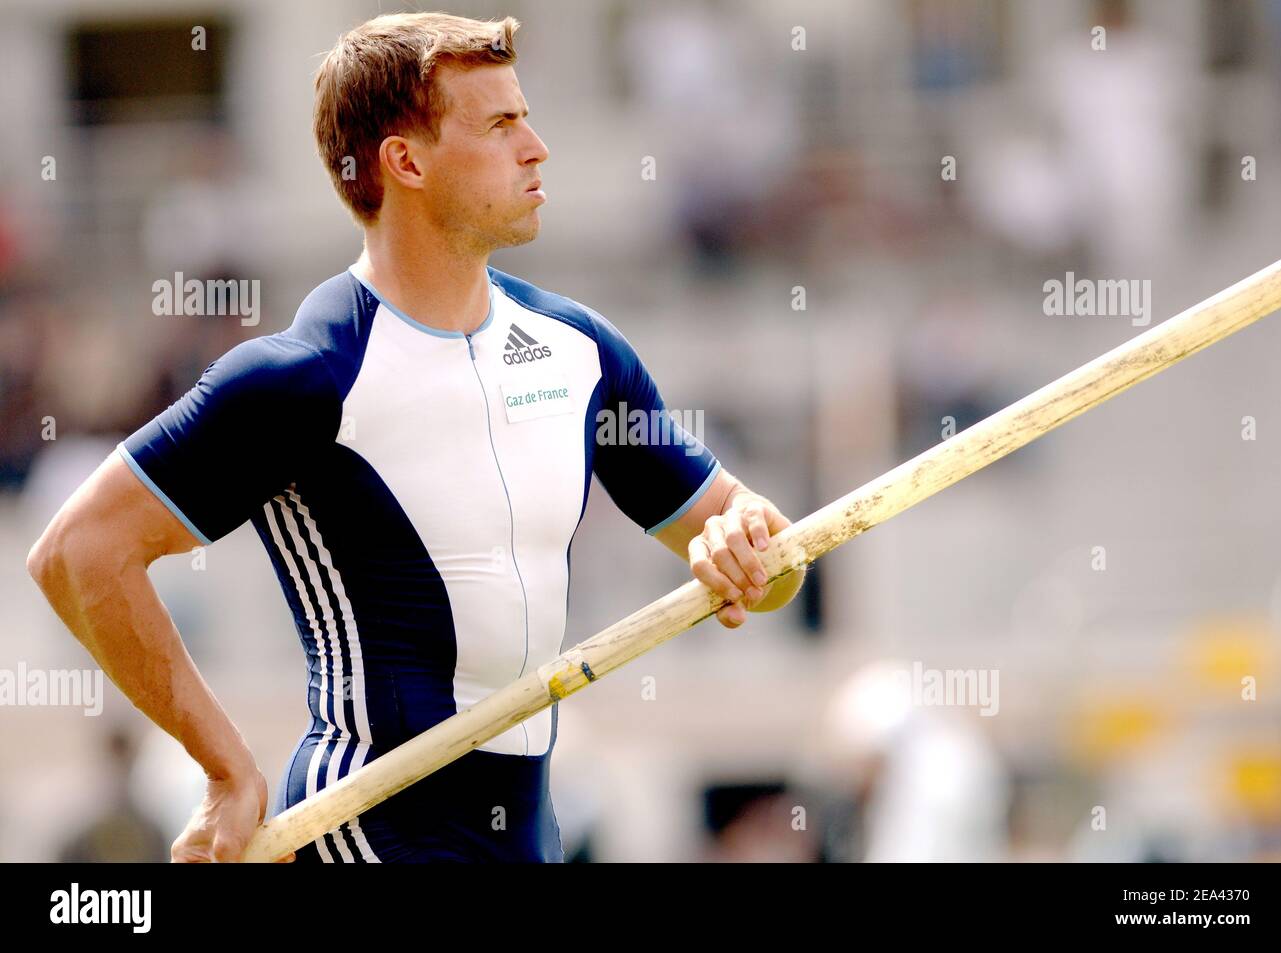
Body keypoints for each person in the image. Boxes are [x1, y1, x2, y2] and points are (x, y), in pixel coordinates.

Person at [26, 11, 804, 864]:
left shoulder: (582, 351)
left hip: (526, 835)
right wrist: (223, 768)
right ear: (406, 161)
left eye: (528, 117)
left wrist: (749, 545)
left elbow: (767, 560)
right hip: (367, 834)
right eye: (502, 124)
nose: (537, 147)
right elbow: (77, 551)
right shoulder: (304, 375)